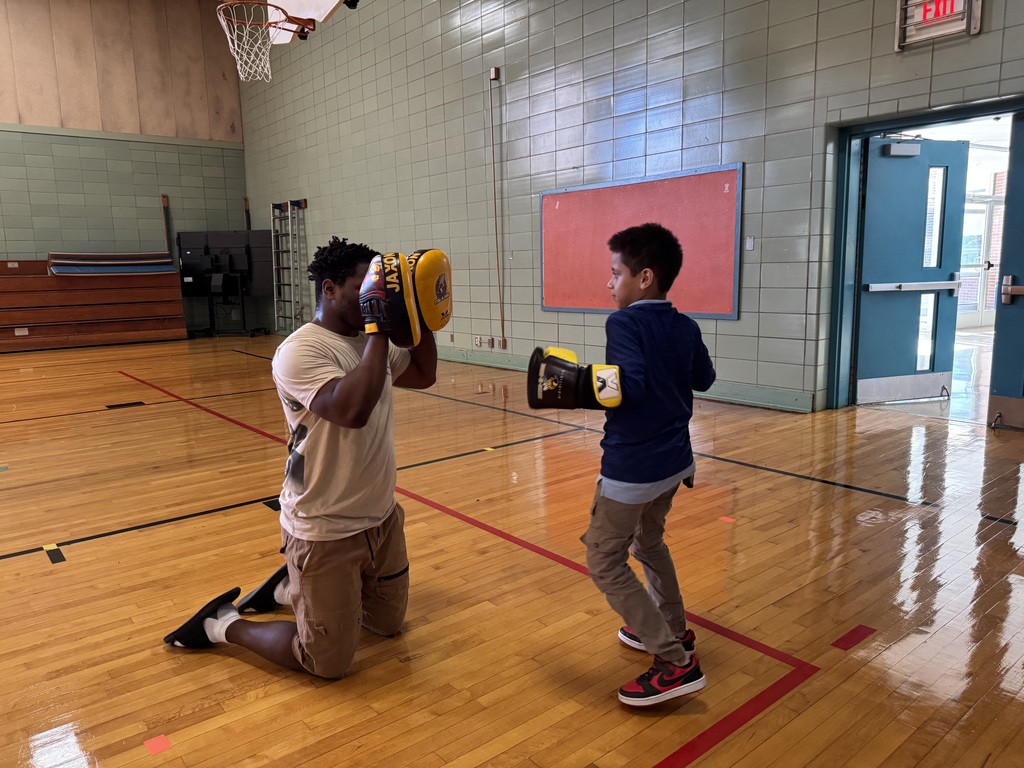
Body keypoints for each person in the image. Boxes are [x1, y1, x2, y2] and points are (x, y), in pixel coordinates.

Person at [164, 236, 446, 679]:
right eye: (364, 287)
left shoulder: (374, 345)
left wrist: (421, 319)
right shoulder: (301, 350)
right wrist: (378, 327)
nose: (374, 298)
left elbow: (425, 374)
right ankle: (222, 624)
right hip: (324, 523)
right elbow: (351, 410)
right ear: (329, 288)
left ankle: (284, 589)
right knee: (326, 662)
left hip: (381, 517)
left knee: (388, 627)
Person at [528, 222, 715, 706]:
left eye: (615, 274)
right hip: (676, 460)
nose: (609, 283)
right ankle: (675, 629)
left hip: (634, 466)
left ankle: (675, 662)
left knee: (604, 558)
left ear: (645, 277)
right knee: (648, 540)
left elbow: (624, 387)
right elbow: (706, 378)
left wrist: (577, 384)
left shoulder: (625, 322)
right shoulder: (686, 324)